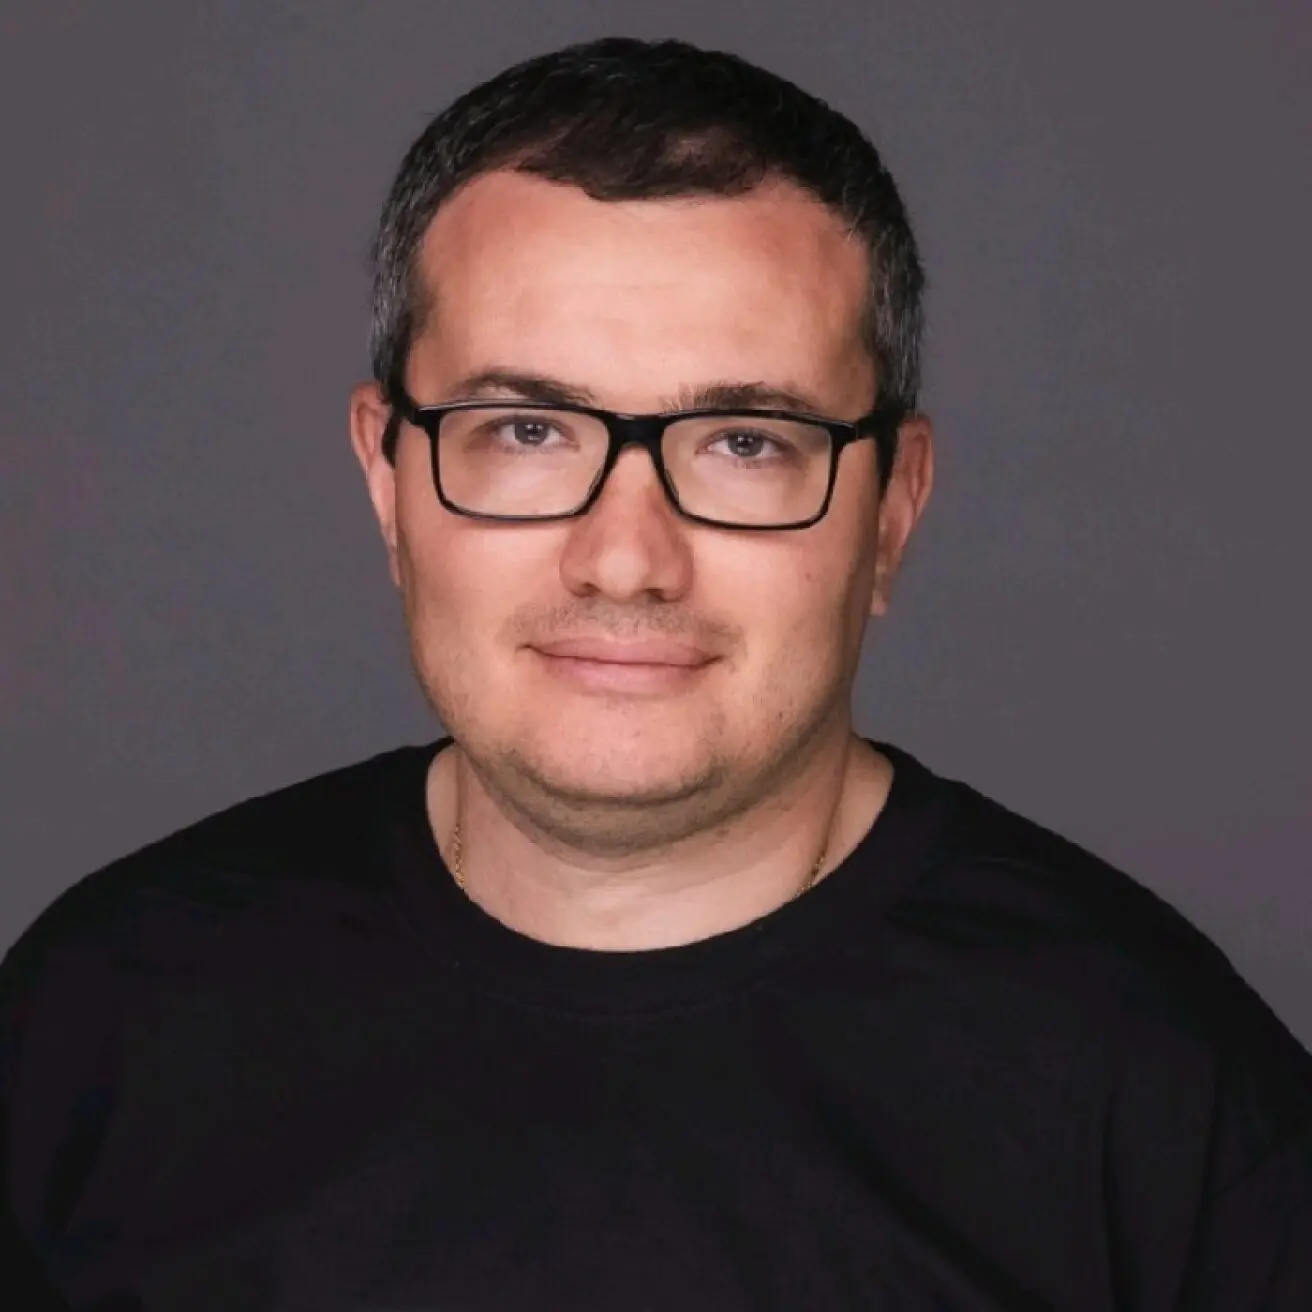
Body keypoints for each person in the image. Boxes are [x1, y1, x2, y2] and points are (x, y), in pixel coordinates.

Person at [2, 34, 1309, 1311]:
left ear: (893, 509)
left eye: (746, 442)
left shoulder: (1165, 1106)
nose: (626, 559)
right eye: (526, 429)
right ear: (388, 482)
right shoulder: (99, 1021)